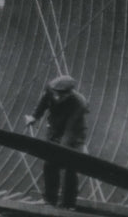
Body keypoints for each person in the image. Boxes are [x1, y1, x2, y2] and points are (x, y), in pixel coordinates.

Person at [24, 75, 89, 209]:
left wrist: (62, 150)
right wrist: (34, 117)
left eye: (61, 95)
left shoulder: (79, 103)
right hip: (55, 130)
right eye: (56, 94)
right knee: (49, 164)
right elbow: (42, 104)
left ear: (69, 93)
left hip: (74, 134)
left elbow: (69, 131)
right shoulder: (51, 90)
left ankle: (68, 204)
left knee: (70, 167)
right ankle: (50, 200)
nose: (57, 97)